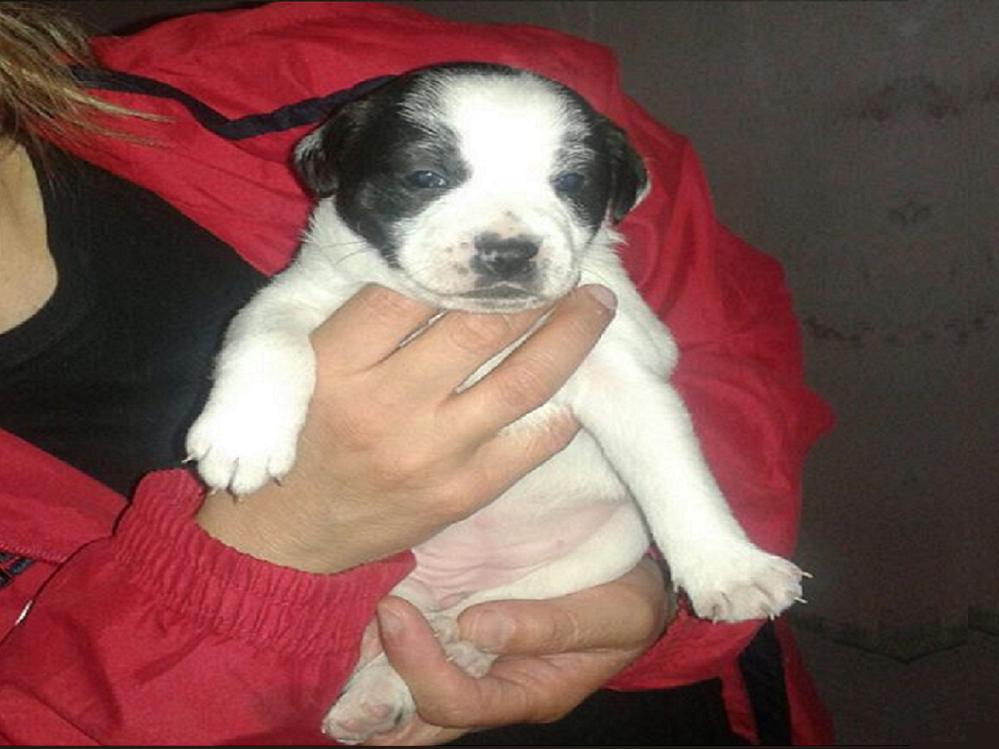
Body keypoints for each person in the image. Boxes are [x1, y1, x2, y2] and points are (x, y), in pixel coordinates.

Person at [0, 1, 835, 745]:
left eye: (567, 184)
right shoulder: (342, 243)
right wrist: (268, 484)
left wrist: (684, 580)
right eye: (430, 178)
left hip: (593, 582)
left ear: (614, 196)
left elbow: (675, 375)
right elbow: (281, 319)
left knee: (614, 480)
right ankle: (400, 662)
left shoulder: (301, 67)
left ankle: (445, 643)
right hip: (377, 594)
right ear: (334, 173)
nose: (506, 236)